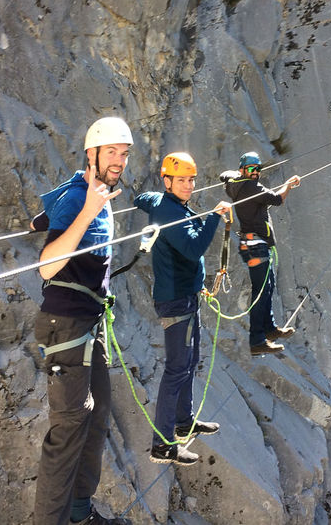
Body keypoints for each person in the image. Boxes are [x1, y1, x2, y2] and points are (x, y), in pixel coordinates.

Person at [32, 117, 133, 525]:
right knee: (70, 429)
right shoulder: (82, 198)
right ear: (91, 154)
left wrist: (55, 215)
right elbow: (46, 267)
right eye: (111, 152)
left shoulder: (95, 193)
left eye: (123, 154)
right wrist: (87, 208)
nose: (119, 160)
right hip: (66, 325)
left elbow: (44, 218)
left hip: (90, 325)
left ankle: (78, 513)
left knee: (96, 417)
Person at [134, 152, 232, 465]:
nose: (189, 185)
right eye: (182, 180)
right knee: (177, 368)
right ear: (168, 181)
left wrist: (145, 199)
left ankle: (183, 422)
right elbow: (193, 249)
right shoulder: (169, 210)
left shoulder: (168, 203)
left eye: (191, 179)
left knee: (189, 363)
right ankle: (162, 445)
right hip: (176, 301)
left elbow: (144, 198)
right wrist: (216, 216)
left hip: (186, 297)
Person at [220, 152, 300, 356]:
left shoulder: (235, 184)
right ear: (243, 170)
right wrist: (289, 185)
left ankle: (269, 329)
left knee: (267, 286)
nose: (255, 172)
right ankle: (257, 340)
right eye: (251, 169)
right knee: (261, 291)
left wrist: (235, 174)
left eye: (257, 169)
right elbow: (277, 199)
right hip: (256, 244)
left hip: (252, 243)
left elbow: (225, 175)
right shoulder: (252, 187)